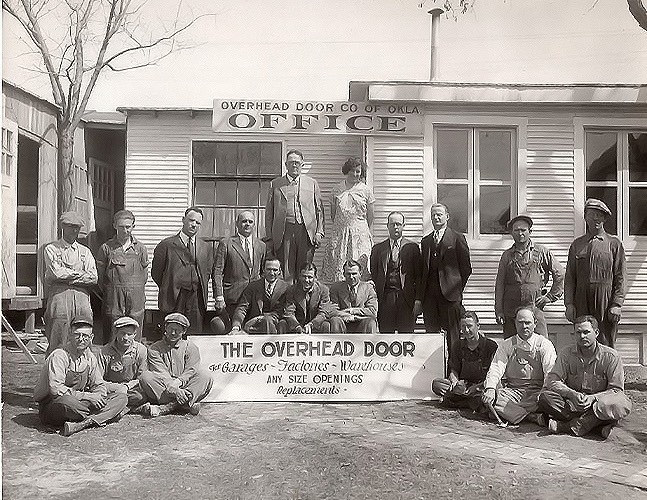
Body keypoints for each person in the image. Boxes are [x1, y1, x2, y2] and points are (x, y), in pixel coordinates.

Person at [539, 315, 632, 439]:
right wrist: (571, 394)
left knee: (618, 403)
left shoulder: (611, 357)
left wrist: (593, 398)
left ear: (596, 333)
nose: (582, 336)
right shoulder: (566, 353)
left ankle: (569, 426)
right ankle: (597, 426)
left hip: (598, 405)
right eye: (578, 333)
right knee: (545, 397)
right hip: (574, 405)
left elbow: (616, 390)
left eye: (586, 332)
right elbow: (553, 380)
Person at [34, 317, 128, 436]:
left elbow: (98, 384)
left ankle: (83, 423)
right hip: (54, 405)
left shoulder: (89, 357)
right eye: (77, 335)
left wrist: (99, 396)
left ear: (91, 338)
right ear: (69, 335)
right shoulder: (59, 356)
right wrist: (88, 397)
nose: (81, 339)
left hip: (80, 404)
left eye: (85, 336)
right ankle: (104, 416)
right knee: (68, 403)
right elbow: (56, 390)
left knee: (121, 398)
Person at [564, 198, 626, 348]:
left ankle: (607, 370)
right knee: (583, 337)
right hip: (581, 299)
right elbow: (570, 278)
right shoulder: (577, 245)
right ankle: (583, 371)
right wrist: (569, 304)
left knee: (605, 338)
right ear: (585, 217)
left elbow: (620, 276)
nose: (596, 219)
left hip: (605, 299)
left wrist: (617, 303)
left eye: (599, 215)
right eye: (592, 214)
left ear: (605, 218)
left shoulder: (614, 244)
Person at [481, 306, 557, 425]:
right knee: (490, 397)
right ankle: (530, 417)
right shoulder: (506, 345)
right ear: (515, 323)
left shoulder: (544, 345)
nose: (524, 326)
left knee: (552, 400)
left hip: (537, 392)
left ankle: (511, 413)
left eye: (527, 323)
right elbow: (496, 367)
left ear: (535, 323)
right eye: (520, 323)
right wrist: (490, 388)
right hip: (513, 393)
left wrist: (544, 391)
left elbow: (550, 372)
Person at [495, 214, 564, 339]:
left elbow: (560, 275)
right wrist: (499, 310)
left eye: (523, 230)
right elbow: (499, 284)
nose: (520, 233)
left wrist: (549, 297)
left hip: (534, 309)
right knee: (512, 348)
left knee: (541, 345)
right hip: (511, 312)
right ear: (511, 232)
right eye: (516, 230)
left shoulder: (542, 252)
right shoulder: (507, 256)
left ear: (530, 231)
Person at [151, 207, 214, 333]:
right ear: (183, 220)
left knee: (194, 334)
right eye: (191, 220)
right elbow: (156, 273)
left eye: (197, 223)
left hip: (196, 298)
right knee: (173, 333)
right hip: (174, 298)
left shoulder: (205, 247)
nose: (194, 225)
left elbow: (207, 272)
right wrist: (170, 286)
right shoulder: (166, 245)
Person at [265, 149, 325, 283]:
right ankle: (287, 302)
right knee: (287, 270)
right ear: (286, 165)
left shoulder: (312, 183)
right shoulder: (276, 184)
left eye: (297, 162)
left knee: (305, 269)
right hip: (284, 231)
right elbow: (269, 213)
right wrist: (269, 237)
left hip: (306, 231)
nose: (294, 165)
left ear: (302, 165)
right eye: (291, 162)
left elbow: (319, 210)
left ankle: (303, 302)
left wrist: (319, 232)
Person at [43, 211, 98, 356]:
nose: (75, 230)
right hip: (59, 296)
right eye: (71, 227)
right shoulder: (51, 249)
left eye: (77, 227)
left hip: (82, 297)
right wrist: (80, 274)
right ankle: (55, 370)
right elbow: (56, 273)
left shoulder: (85, 252)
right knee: (58, 333)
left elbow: (93, 277)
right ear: (63, 226)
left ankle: (84, 369)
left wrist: (69, 276)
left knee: (83, 330)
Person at [139, 313, 213, 417]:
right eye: (170, 329)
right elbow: (160, 372)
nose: (173, 333)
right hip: (165, 387)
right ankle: (187, 404)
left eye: (177, 330)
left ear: (184, 331)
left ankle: (167, 407)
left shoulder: (190, 347)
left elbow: (191, 370)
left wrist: (178, 383)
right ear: (165, 328)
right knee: (146, 377)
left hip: (186, 385)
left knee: (205, 375)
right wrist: (174, 389)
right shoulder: (154, 348)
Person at [421, 203, 472, 348]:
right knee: (431, 335)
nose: (436, 218)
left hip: (450, 297)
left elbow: (466, 268)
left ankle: (453, 369)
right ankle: (434, 369)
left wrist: (456, 287)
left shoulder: (457, 238)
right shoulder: (426, 241)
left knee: (453, 336)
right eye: (433, 215)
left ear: (447, 217)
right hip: (430, 298)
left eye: (439, 214)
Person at [96, 209, 149, 343]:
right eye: (121, 227)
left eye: (128, 227)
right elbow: (100, 277)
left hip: (136, 298)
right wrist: (111, 292)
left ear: (133, 227)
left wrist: (134, 290)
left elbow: (145, 275)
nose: (125, 231)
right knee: (112, 335)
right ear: (114, 226)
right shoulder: (106, 248)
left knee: (134, 334)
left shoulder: (140, 248)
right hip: (114, 299)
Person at [210, 210, 266, 335]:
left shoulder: (261, 246)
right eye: (244, 221)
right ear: (237, 223)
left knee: (251, 332)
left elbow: (263, 272)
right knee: (228, 330)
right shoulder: (227, 243)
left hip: (254, 299)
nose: (247, 224)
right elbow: (217, 272)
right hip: (233, 297)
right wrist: (219, 297)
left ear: (254, 224)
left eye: (250, 222)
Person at [321, 157, 375, 282]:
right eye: (352, 171)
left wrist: (363, 230)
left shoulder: (366, 190)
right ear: (347, 171)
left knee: (360, 263)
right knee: (339, 264)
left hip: (360, 234)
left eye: (358, 171)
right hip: (341, 233)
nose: (355, 174)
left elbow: (371, 215)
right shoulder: (337, 189)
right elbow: (333, 214)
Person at [432, 311, 498, 410]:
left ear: (478, 326)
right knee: (437, 384)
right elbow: (453, 370)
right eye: (463, 327)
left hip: (480, 387)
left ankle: (463, 401)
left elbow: (494, 375)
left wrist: (476, 387)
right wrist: (455, 382)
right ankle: (466, 401)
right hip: (463, 387)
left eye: (469, 326)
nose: (466, 330)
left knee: (488, 395)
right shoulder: (457, 345)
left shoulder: (491, 346)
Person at [370, 212, 423, 333]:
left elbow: (419, 276)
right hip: (385, 299)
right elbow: (374, 274)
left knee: (406, 336)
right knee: (386, 336)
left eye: (398, 224)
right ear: (387, 226)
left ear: (403, 226)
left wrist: (418, 300)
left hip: (406, 298)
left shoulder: (412, 247)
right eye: (392, 224)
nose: (395, 227)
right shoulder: (378, 249)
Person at [98, 316, 148, 410]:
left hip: (131, 389)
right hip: (110, 389)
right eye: (122, 333)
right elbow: (98, 380)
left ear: (135, 335)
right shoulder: (104, 351)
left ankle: (117, 406)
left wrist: (126, 387)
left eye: (129, 334)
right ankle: (122, 406)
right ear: (115, 333)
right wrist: (116, 388)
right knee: (99, 396)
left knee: (140, 397)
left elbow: (142, 378)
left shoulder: (141, 350)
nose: (125, 338)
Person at [230, 258, 289, 334]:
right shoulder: (253, 286)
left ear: (279, 271)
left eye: (275, 270)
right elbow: (242, 308)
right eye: (268, 269)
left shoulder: (286, 288)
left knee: (269, 321)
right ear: (263, 269)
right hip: (255, 327)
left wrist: (262, 317)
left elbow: (284, 311)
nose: (271, 273)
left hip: (277, 327)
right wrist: (236, 327)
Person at [278, 263, 339, 334]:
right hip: (297, 325)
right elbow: (289, 312)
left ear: (315, 277)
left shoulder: (323, 290)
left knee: (326, 325)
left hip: (315, 325)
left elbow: (323, 313)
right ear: (299, 276)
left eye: (310, 277)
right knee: (282, 323)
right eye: (304, 276)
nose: (306, 280)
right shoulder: (292, 290)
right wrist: (297, 326)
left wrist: (311, 325)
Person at [329, 260, 378, 333]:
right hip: (343, 322)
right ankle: (337, 343)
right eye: (348, 274)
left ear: (360, 274)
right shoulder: (336, 288)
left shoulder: (368, 288)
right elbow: (332, 310)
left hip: (362, 321)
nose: (351, 277)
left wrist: (352, 311)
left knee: (370, 321)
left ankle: (367, 343)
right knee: (335, 320)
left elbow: (372, 311)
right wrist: (346, 315)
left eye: (354, 274)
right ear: (344, 274)